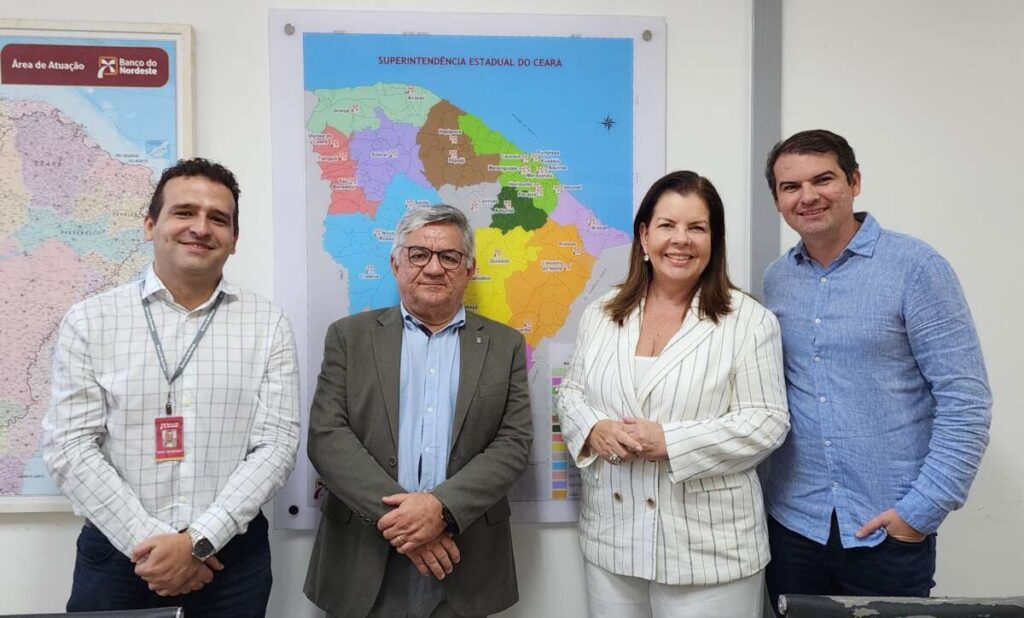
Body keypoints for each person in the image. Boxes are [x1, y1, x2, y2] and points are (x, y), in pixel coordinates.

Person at [42, 158, 301, 617]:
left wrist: (199, 541)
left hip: (231, 561)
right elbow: (70, 447)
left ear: (234, 238)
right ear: (150, 225)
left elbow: (276, 445)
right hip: (118, 557)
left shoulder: (268, 324)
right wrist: (154, 547)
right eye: (184, 212)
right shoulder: (90, 321)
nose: (200, 228)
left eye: (217, 218)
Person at [761, 129, 992, 612]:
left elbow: (965, 402)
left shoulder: (917, 268)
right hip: (794, 526)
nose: (808, 196)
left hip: (886, 529)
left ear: (855, 182)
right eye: (791, 187)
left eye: (823, 179)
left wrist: (921, 511)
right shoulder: (778, 279)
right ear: (778, 200)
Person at [556, 171, 790, 617]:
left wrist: (669, 442)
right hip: (613, 541)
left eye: (696, 227)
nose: (680, 240)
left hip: (709, 551)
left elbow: (766, 422)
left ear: (714, 240)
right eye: (667, 225)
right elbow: (570, 394)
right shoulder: (602, 313)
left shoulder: (749, 321)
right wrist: (593, 428)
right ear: (645, 235)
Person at [304, 204, 533, 618]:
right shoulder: (348, 337)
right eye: (419, 254)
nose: (434, 267)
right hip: (363, 555)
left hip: (464, 558)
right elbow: (327, 436)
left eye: (450, 256)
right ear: (396, 264)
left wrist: (440, 510)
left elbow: (513, 443)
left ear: (469, 269)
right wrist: (407, 523)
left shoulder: (506, 346)